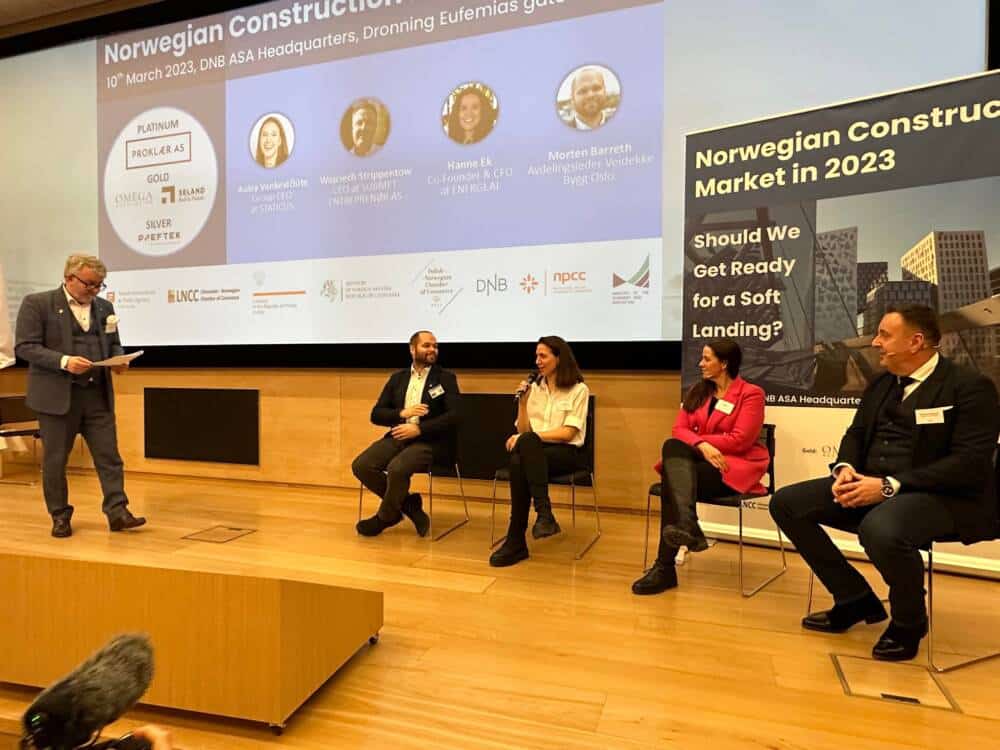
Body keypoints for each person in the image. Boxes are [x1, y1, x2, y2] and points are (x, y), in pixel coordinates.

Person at [770, 304, 999, 661]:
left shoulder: (970, 387)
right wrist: (845, 468)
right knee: (787, 504)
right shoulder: (881, 383)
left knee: (881, 528)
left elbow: (968, 463)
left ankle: (909, 623)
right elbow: (856, 433)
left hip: (943, 496)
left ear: (916, 342)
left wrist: (889, 485)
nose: (875, 342)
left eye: (884, 335)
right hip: (875, 486)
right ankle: (853, 597)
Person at [14, 254, 145, 538]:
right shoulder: (37, 304)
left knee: (109, 457)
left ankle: (118, 512)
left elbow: (114, 343)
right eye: (90, 284)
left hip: (97, 396)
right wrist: (64, 361)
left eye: (99, 284)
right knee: (55, 461)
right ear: (69, 278)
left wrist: (118, 360)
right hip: (57, 398)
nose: (95, 290)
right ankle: (60, 516)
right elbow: (25, 347)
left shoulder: (104, 307)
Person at [632, 339, 767, 594]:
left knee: (673, 479)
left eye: (706, 359)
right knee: (672, 448)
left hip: (730, 468)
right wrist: (702, 446)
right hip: (696, 465)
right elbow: (678, 430)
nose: (700, 364)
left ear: (724, 363)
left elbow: (741, 440)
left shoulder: (751, 394)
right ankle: (686, 524)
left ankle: (666, 567)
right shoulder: (697, 391)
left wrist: (698, 442)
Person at [489, 336, 589, 567]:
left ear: (559, 358)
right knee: (520, 459)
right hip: (535, 454)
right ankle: (543, 516)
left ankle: (517, 539)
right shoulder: (533, 389)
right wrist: (523, 404)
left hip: (566, 454)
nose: (537, 361)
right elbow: (524, 430)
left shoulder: (578, 389)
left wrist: (529, 438)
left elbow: (567, 434)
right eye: (536, 356)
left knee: (522, 455)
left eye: (543, 356)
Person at [352, 331, 461, 537]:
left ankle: (385, 517)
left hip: (431, 441)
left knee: (397, 468)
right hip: (399, 437)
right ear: (412, 349)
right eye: (426, 345)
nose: (432, 349)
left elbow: (455, 415)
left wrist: (419, 429)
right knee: (362, 465)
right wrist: (402, 413)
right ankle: (409, 505)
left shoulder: (445, 378)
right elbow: (376, 414)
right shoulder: (398, 379)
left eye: (435, 346)